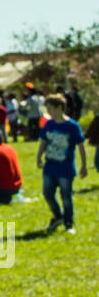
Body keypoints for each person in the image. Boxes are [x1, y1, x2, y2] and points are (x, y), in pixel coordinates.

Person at [37, 93, 87, 234]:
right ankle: (58, 216)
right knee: (47, 193)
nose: (48, 112)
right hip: (50, 167)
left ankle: (68, 223)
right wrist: (39, 156)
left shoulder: (72, 126)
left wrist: (83, 165)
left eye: (50, 109)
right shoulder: (49, 124)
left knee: (66, 197)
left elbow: (81, 146)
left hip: (65, 168)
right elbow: (44, 141)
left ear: (59, 107)